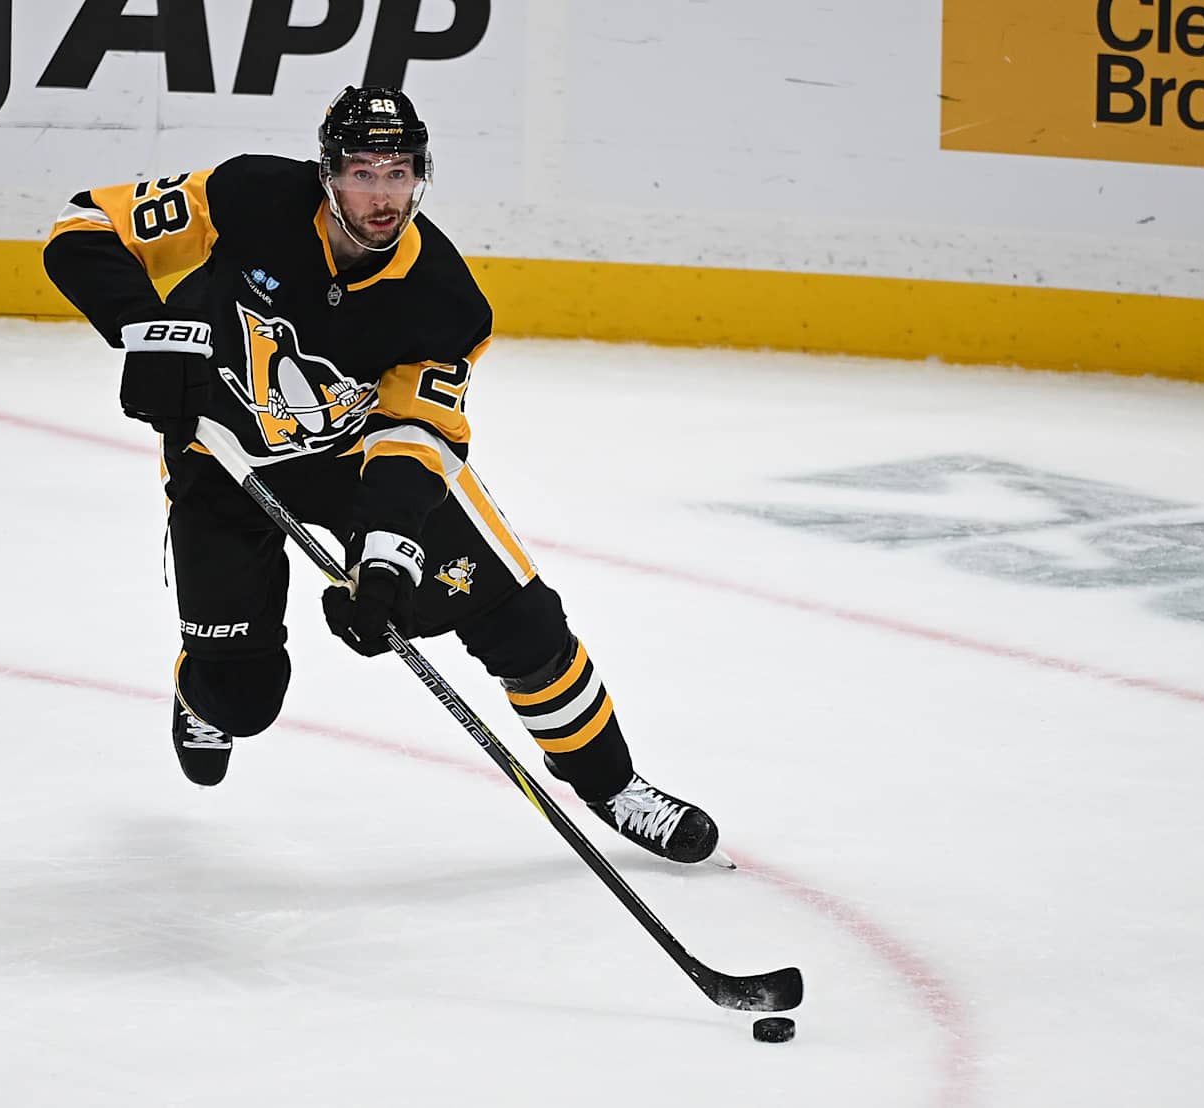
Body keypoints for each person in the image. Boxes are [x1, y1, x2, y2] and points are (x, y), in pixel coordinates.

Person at [43, 86, 720, 864]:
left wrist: (389, 556)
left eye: (397, 173)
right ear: (326, 171)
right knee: (241, 699)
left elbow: (417, 435)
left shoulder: (443, 298)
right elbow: (84, 225)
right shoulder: (250, 195)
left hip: (351, 462)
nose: (381, 195)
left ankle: (612, 785)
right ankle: (205, 693)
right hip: (220, 456)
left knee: (522, 621)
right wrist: (150, 333)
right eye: (362, 172)